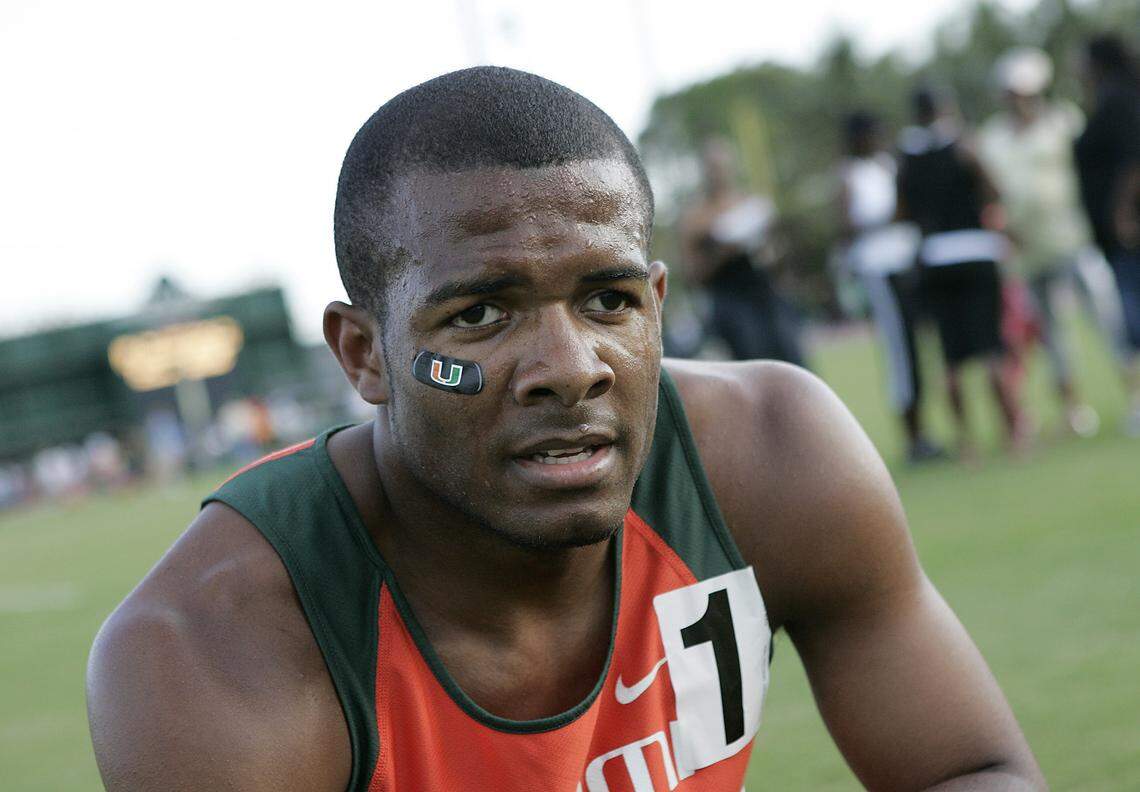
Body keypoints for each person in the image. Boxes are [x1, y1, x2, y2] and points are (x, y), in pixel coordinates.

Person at [87, 67, 1044, 791]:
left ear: (659, 305)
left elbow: (969, 770)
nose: (572, 365)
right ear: (364, 355)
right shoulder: (214, 647)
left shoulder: (771, 460)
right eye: (480, 316)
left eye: (608, 299)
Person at [979, 47, 1121, 438]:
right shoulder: (992, 137)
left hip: (1074, 238)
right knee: (1053, 337)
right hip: (1027, 253)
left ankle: (1134, 394)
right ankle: (1074, 411)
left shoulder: (1063, 121)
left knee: (1108, 320)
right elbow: (990, 193)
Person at [897, 87, 1027, 460]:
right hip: (976, 253)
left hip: (935, 260)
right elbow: (993, 190)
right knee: (992, 349)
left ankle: (966, 442)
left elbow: (902, 211)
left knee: (952, 359)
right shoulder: (964, 146)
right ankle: (1013, 431)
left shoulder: (907, 158)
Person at [837, 111, 943, 463]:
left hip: (905, 261)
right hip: (879, 268)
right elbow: (849, 222)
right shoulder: (850, 174)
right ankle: (913, 435)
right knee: (900, 350)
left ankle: (925, 430)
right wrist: (889, 215)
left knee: (918, 349)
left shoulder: (888, 165)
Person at [679, 138, 806, 365]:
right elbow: (692, 275)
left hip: (764, 292)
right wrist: (723, 253)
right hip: (730, 300)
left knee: (791, 357)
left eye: (722, 165)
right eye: (712, 167)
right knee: (753, 363)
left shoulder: (751, 203)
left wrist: (771, 250)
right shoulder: (696, 217)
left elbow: (777, 253)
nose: (718, 173)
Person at [1073, 34, 1140, 435]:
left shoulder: (1119, 100)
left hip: (1128, 234)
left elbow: (1134, 157)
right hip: (1116, 236)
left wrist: (1123, 214)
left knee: (1132, 321)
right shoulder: (1111, 99)